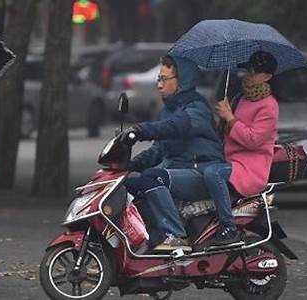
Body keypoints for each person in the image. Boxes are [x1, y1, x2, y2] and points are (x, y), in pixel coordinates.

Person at [118, 55, 224, 252]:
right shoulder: (168, 111)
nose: (159, 85)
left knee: (152, 178)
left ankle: (176, 235)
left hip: (199, 173)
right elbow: (158, 150)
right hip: (175, 172)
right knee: (128, 186)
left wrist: (141, 131)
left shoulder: (196, 108)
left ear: (182, 81)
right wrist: (127, 166)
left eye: (163, 79)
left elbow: (176, 127)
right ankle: (154, 238)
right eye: (158, 78)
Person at [204, 50, 279, 246]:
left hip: (250, 169)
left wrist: (230, 118)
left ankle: (228, 227)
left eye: (254, 72)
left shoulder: (269, 106)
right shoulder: (239, 99)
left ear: (268, 77)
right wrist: (223, 119)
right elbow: (226, 133)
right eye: (248, 71)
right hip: (230, 162)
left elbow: (253, 140)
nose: (248, 76)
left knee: (213, 173)